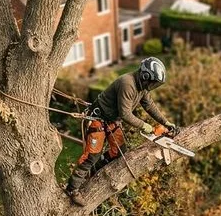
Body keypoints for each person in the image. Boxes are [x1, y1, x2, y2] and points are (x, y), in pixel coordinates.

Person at [66, 57, 177, 206]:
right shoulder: (128, 84)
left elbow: (149, 106)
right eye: (152, 82)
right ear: (145, 76)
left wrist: (165, 122)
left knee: (119, 151)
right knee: (91, 155)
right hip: (98, 118)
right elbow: (125, 114)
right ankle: (72, 188)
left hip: (111, 120)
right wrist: (146, 126)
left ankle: (94, 171)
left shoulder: (142, 87)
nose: (152, 85)